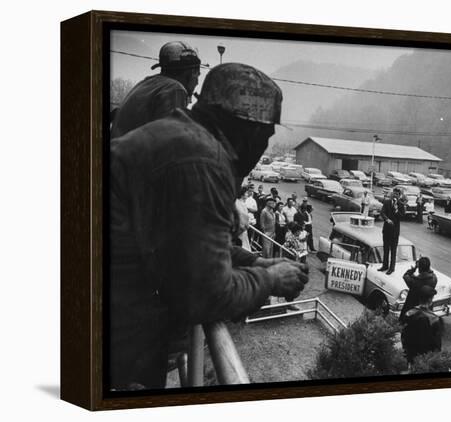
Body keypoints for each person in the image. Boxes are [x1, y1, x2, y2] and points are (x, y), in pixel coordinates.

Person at [109, 63, 308, 390]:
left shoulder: (182, 137)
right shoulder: (203, 161)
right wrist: (270, 278)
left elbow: (184, 241)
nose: (263, 149)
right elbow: (205, 295)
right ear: (250, 130)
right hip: (116, 342)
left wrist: (254, 262)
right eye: (266, 135)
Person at [111, 41, 201, 138]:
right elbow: (171, 139)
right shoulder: (175, 89)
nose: (197, 82)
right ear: (190, 73)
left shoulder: (147, 83)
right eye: (197, 74)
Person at [400, 285, 443, 364]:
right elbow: (437, 345)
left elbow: (404, 335)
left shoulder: (409, 313)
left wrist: (407, 351)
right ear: (430, 300)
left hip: (410, 354)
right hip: (425, 359)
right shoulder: (434, 319)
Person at [399, 257, 438, 323]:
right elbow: (430, 272)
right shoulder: (433, 279)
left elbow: (406, 275)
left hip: (412, 308)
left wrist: (414, 268)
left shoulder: (414, 281)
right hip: (427, 309)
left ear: (419, 269)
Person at [378, 187, 405, 275]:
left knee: (393, 250)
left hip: (395, 231)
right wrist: (387, 219)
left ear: (399, 196)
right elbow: (382, 213)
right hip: (386, 230)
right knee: (386, 249)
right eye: (394, 193)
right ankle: (384, 265)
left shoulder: (401, 204)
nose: (395, 195)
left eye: (397, 194)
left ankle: (391, 268)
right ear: (392, 193)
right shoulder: (387, 202)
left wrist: (397, 210)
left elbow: (402, 216)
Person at [234, 186, 251, 251]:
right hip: (240, 230)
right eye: (246, 193)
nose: (247, 194)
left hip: (242, 230)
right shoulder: (239, 203)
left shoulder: (240, 203)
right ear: (242, 194)